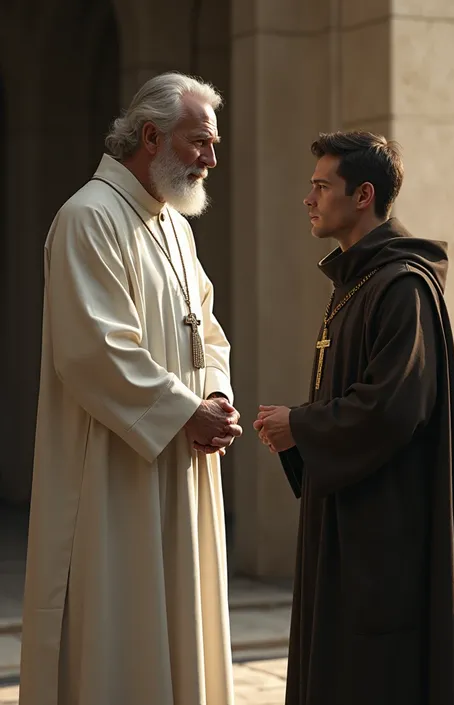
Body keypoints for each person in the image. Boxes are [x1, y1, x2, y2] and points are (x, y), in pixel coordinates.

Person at [19, 72, 242, 705]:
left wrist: (218, 399)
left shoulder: (175, 226)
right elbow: (94, 350)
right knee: (121, 627)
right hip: (114, 473)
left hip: (183, 456)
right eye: (200, 141)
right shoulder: (88, 217)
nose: (211, 158)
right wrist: (184, 413)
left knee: (179, 621)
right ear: (151, 136)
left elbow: (210, 332)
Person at [254, 131, 454, 705]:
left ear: (363, 196)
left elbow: (395, 405)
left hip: (386, 531)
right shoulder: (356, 283)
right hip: (347, 517)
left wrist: (299, 427)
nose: (309, 199)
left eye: (322, 186)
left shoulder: (403, 287)